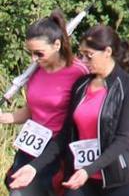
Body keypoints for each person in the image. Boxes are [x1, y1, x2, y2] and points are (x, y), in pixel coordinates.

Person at [16, 25, 129, 196]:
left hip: (118, 179)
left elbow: (122, 140)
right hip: (81, 178)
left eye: (88, 56)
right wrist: (33, 167)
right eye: (81, 55)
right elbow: (64, 135)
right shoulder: (81, 85)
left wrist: (89, 169)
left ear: (107, 52)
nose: (83, 61)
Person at [1, 13, 90, 196]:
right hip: (31, 149)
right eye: (31, 53)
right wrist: (4, 118)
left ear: (57, 45)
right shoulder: (34, 72)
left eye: (39, 53)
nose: (34, 59)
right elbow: (31, 111)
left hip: (57, 151)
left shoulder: (79, 72)